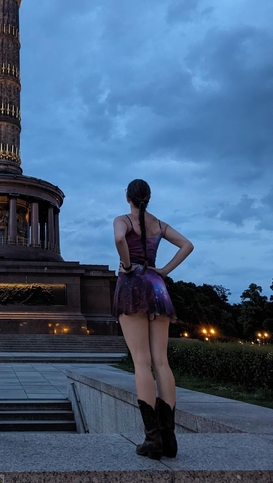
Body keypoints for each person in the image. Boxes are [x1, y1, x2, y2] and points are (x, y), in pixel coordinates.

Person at [113, 179, 194, 460]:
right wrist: (164, 271)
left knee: (141, 362)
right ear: (148, 197)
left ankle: (152, 439)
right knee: (162, 361)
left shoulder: (122, 219)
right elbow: (187, 245)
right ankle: (170, 439)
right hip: (157, 286)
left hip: (132, 284)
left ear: (128, 197)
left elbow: (120, 238)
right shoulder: (160, 225)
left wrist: (126, 266)